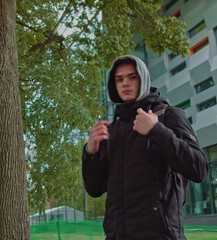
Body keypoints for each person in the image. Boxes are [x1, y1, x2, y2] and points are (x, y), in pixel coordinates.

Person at [82, 55, 209, 240]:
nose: (125, 83)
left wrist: (156, 130)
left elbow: (199, 168)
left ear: (143, 79)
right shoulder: (111, 130)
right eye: (119, 79)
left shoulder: (168, 115)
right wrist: (90, 152)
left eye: (132, 77)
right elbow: (94, 189)